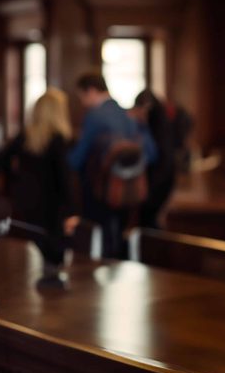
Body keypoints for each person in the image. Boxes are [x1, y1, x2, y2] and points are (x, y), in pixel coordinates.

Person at [68, 73, 156, 257]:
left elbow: (77, 159)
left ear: (91, 91)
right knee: (118, 238)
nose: (83, 103)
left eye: (82, 97)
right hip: (129, 191)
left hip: (100, 189)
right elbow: (151, 154)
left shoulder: (94, 116)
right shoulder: (127, 115)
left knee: (100, 241)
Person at [3, 88, 79, 256]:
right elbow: (63, 178)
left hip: (25, 202)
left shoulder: (24, 136)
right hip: (51, 206)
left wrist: (15, 181)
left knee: (24, 254)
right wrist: (72, 210)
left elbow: (3, 159)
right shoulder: (59, 139)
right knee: (50, 256)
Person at [130, 90, 176, 228]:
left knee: (151, 220)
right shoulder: (156, 125)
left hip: (158, 179)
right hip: (159, 177)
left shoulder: (157, 126)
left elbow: (157, 157)